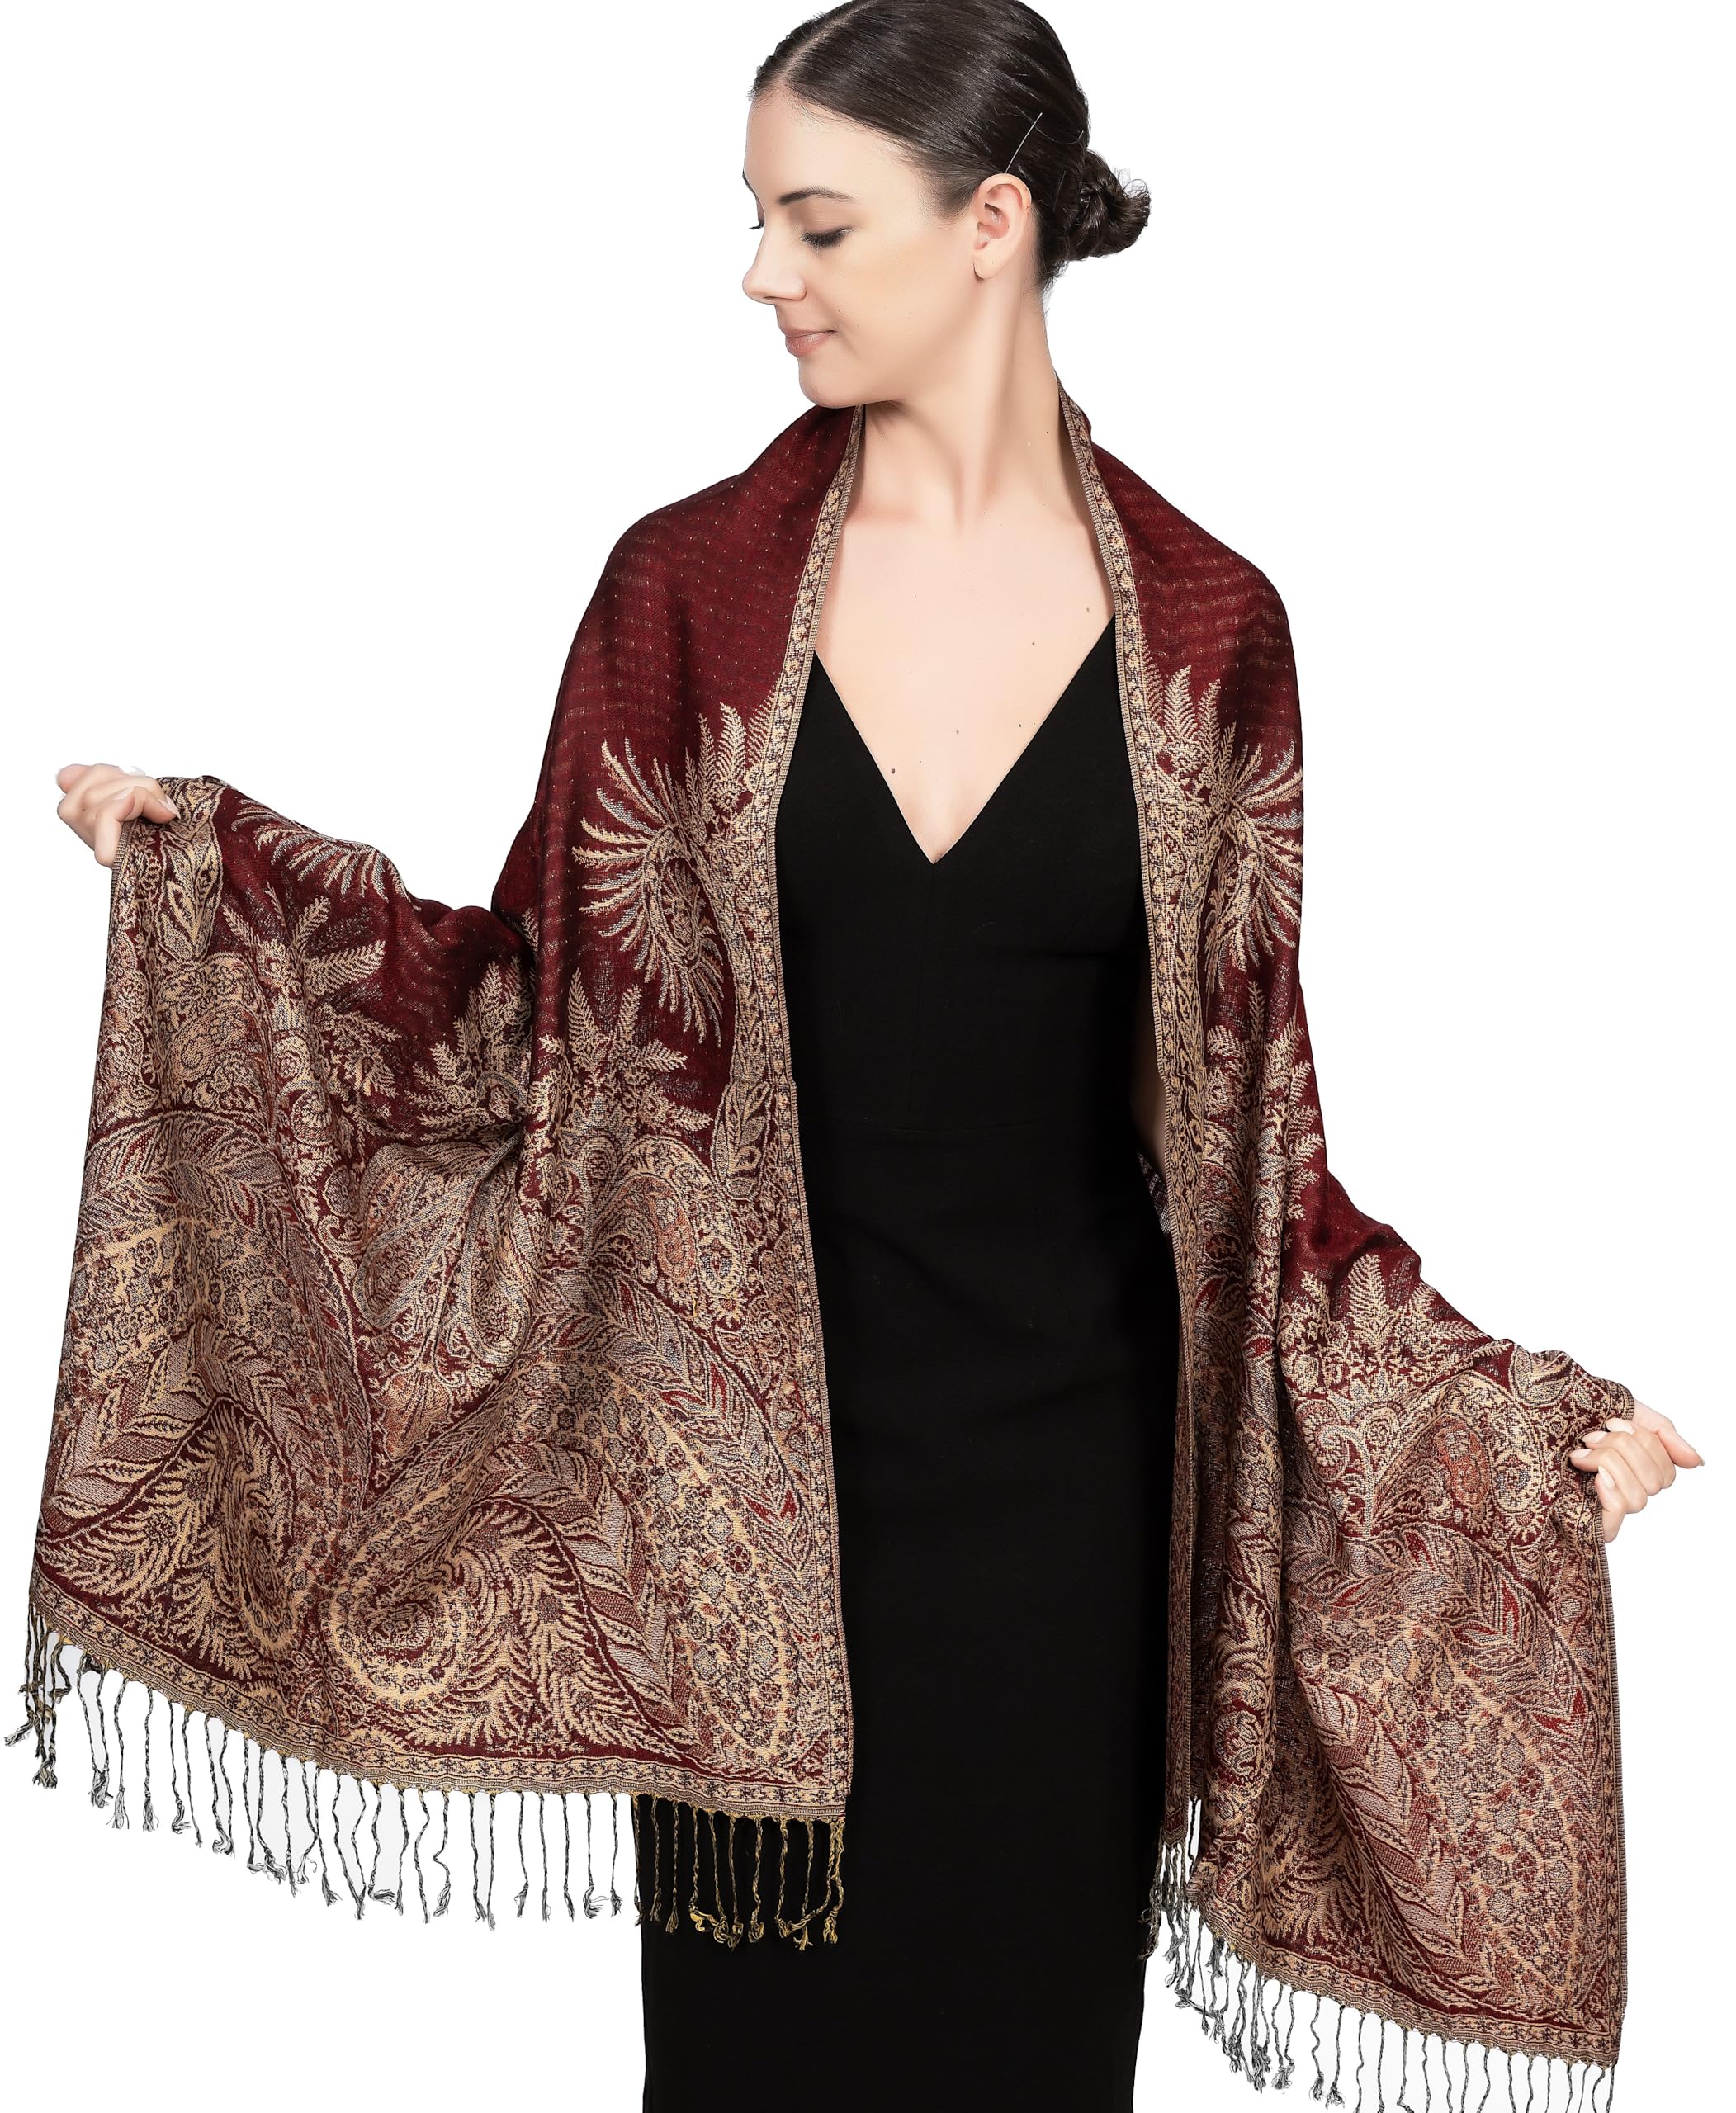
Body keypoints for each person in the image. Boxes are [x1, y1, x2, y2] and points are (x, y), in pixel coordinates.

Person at [49, 6, 1702, 2111]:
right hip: (726, 1528)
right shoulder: (683, 592)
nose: (765, 275)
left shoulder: (1212, 628)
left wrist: (1503, 1421)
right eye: (759, 220)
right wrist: (222, 882)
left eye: (816, 225)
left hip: (1061, 1531)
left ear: (988, 225)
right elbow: (530, 1019)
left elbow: (1252, 1144)